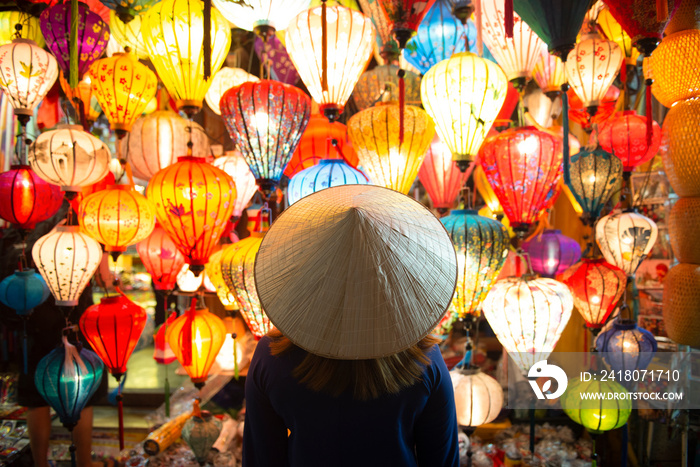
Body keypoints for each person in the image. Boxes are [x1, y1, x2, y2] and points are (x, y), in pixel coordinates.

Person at [242, 185, 460, 467]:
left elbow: (261, 460)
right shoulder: (424, 360)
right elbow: (442, 462)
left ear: (307, 275)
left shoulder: (272, 359)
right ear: (394, 279)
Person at [0, 204, 104, 467]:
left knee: (37, 395)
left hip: (32, 318)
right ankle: (83, 462)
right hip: (70, 315)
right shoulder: (66, 213)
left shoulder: (19, 224)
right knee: (82, 389)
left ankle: (40, 463)